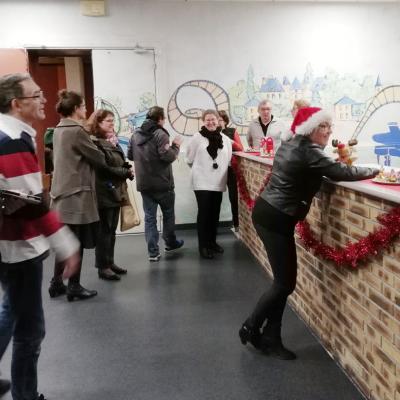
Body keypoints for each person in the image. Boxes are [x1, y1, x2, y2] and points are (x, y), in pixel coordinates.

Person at [239, 107, 379, 360]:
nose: (329, 131)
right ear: (311, 129)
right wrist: (377, 172)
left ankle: (272, 337)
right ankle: (250, 326)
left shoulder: (293, 143)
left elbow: (325, 168)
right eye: (324, 126)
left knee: (282, 282)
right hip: (277, 218)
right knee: (284, 283)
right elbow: (341, 172)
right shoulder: (309, 151)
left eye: (329, 126)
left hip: (270, 213)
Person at [0, 73, 80, 400]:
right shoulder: (13, 141)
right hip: (19, 248)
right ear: (17, 103)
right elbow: (31, 205)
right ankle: (26, 395)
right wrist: (67, 245)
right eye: (36, 95)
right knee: (29, 330)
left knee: (14, 312)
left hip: (9, 245)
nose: (44, 99)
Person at [49, 90, 132, 300]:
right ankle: (74, 286)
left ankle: (56, 282)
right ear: (76, 108)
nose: (86, 110)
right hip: (77, 194)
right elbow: (98, 159)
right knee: (76, 241)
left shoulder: (59, 129)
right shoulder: (77, 131)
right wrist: (107, 146)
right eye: (84, 106)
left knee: (66, 241)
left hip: (61, 193)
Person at [127, 106, 184, 262]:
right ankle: (170, 243)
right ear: (160, 118)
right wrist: (176, 145)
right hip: (163, 184)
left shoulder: (135, 134)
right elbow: (167, 156)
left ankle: (153, 252)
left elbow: (130, 155)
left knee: (150, 218)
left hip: (145, 184)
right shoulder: (160, 134)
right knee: (168, 214)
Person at [89, 109, 133, 280]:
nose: (112, 124)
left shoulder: (109, 141)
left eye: (113, 121)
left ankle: (109, 262)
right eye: (108, 121)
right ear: (98, 123)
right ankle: (102, 267)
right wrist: (124, 172)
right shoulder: (95, 143)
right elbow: (103, 168)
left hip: (115, 190)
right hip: (104, 191)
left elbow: (117, 162)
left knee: (111, 230)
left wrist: (126, 170)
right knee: (104, 231)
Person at [185, 109, 232, 259]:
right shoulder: (196, 138)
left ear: (218, 121)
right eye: (208, 120)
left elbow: (228, 157)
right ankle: (203, 246)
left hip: (218, 181)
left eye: (213, 119)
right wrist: (202, 169)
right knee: (204, 214)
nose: (211, 122)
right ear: (203, 121)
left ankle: (212, 242)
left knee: (214, 213)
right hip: (202, 181)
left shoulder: (225, 139)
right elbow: (189, 159)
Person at [218, 110, 244, 232]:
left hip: (230, 168)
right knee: (215, 198)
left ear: (225, 121)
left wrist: (231, 142)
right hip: (216, 169)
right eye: (216, 120)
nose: (218, 122)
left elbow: (241, 148)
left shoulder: (232, 131)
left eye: (220, 120)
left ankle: (236, 224)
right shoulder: (211, 133)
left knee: (233, 196)